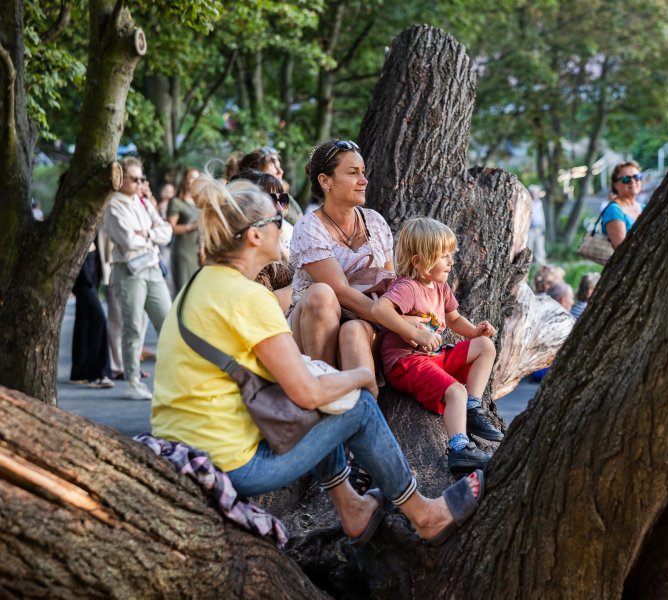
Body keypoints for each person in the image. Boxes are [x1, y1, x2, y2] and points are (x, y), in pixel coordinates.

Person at [151, 173, 483, 546]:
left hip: (182, 444)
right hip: (231, 464)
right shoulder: (248, 298)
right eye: (277, 220)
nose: (284, 224)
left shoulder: (198, 284)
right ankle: (424, 514)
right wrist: (361, 376)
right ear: (254, 235)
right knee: (357, 407)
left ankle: (352, 509)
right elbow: (306, 393)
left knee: (329, 399)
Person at [372, 218, 503, 476]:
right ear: (418, 262)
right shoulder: (407, 287)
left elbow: (454, 319)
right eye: (443, 256)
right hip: (408, 362)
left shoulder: (440, 287)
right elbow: (379, 310)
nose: (450, 262)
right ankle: (459, 448)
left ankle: (472, 407)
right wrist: (413, 333)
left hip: (435, 356)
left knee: (485, 346)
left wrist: (475, 331)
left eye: (450, 255)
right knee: (455, 391)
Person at [289, 140, 394, 372]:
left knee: (354, 331)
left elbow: (391, 280)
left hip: (367, 322)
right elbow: (339, 291)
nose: (363, 180)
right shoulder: (309, 227)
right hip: (315, 325)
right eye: (353, 173)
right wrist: (394, 320)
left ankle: (361, 399)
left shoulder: (375, 221)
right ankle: (322, 380)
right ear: (325, 181)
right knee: (321, 293)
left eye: (363, 172)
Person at [102, 156, 172, 400]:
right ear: (120, 179)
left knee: (168, 323)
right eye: (134, 179)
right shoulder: (113, 206)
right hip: (129, 270)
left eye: (142, 178)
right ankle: (132, 381)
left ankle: (171, 379)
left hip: (152, 267)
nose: (139, 183)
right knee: (132, 327)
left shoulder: (143, 202)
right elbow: (128, 241)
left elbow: (167, 231)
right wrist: (151, 235)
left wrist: (147, 233)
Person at [234, 169, 294, 312]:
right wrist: (305, 285)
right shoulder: (251, 262)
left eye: (283, 200)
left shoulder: (275, 249)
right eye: (272, 200)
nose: (280, 208)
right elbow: (265, 310)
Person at [70, 239, 114, 388]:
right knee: (99, 317)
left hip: (92, 261)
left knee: (84, 319)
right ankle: (98, 374)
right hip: (81, 270)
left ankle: (79, 371)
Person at [167, 167, 202, 292]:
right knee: (184, 291)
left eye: (198, 178)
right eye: (192, 177)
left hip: (198, 251)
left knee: (197, 290)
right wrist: (191, 226)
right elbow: (170, 228)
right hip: (183, 252)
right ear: (184, 180)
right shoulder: (176, 202)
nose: (195, 181)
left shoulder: (199, 202)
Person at [602, 161, 644, 249]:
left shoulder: (644, 208)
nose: (632, 181)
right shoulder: (614, 210)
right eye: (626, 179)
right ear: (615, 185)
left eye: (636, 177)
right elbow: (621, 249)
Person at [527, 185, 546, 265]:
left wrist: (543, 228)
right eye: (533, 193)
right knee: (529, 247)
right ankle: (527, 264)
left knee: (540, 247)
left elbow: (541, 216)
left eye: (536, 193)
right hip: (530, 229)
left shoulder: (539, 203)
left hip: (538, 228)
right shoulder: (527, 202)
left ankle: (541, 264)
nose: (535, 195)